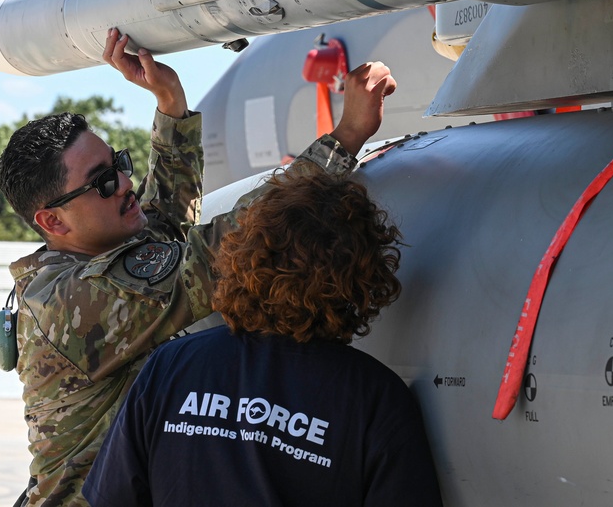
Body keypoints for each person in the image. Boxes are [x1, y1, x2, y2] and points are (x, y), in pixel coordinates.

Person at [0, 27, 396, 507]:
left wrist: (170, 103)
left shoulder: (95, 256)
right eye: (102, 182)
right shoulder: (71, 302)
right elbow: (219, 251)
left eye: (118, 164)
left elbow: (161, 221)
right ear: (51, 221)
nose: (125, 183)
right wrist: (345, 138)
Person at [82, 168, 444, 506]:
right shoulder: (378, 399)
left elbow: (112, 497)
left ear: (244, 256)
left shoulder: (170, 366)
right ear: (362, 281)